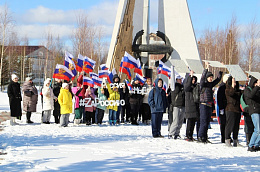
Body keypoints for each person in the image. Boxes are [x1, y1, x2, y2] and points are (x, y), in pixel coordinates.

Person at [198, 62, 223, 143]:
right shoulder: (203, 84)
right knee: (203, 122)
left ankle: (205, 137)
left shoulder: (210, 85)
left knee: (207, 122)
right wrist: (206, 69)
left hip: (209, 105)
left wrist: (220, 69)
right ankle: (200, 136)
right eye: (210, 77)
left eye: (212, 77)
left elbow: (218, 80)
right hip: (203, 105)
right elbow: (202, 78)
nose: (211, 79)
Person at [244, 76, 260, 152]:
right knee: (257, 129)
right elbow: (251, 96)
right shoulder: (248, 89)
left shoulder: (257, 89)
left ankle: (256, 145)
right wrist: (257, 87)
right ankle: (250, 145)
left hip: (258, 110)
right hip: (253, 111)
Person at [225, 76, 242, 147]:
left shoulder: (238, 90)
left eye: (235, 82)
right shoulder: (227, 90)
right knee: (230, 125)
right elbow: (231, 93)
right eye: (233, 82)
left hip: (237, 110)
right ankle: (227, 139)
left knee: (236, 126)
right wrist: (232, 85)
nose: (234, 83)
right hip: (230, 109)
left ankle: (235, 139)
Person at [184, 70, 200, 141]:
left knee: (193, 122)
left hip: (195, 106)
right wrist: (190, 75)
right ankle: (188, 135)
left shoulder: (195, 87)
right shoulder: (188, 87)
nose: (193, 80)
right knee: (189, 122)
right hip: (189, 106)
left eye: (194, 79)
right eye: (192, 79)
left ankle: (191, 135)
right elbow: (187, 86)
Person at [168, 75, 185, 139]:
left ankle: (177, 133)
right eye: (179, 79)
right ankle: (171, 133)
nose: (180, 80)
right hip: (176, 105)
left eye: (181, 79)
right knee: (176, 120)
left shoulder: (182, 86)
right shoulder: (175, 86)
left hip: (182, 105)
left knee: (180, 121)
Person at [217, 74, 231, 143]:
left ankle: (227, 136)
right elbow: (219, 98)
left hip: (228, 107)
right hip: (223, 107)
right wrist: (221, 108)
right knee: (223, 123)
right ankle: (223, 137)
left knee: (228, 123)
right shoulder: (222, 87)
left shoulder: (228, 86)